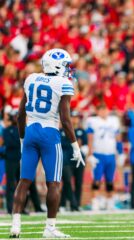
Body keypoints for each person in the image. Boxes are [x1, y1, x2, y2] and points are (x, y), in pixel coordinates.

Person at [10, 48, 85, 238]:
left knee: (24, 181)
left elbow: (20, 115)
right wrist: (76, 146)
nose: (69, 69)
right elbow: (66, 120)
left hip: (30, 131)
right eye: (67, 65)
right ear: (58, 65)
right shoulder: (63, 83)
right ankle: (50, 228)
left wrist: (22, 139)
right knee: (54, 184)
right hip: (49, 134)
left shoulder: (31, 78)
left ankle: (15, 226)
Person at [4, 110, 43, 215]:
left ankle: (24, 207)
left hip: (23, 159)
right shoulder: (7, 130)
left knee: (27, 184)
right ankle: (10, 208)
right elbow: (9, 143)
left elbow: (29, 142)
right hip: (11, 160)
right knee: (11, 185)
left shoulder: (26, 129)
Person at [86, 104, 123, 211]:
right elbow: (90, 138)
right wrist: (90, 154)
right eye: (101, 110)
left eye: (105, 109)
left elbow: (118, 137)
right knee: (97, 179)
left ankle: (110, 202)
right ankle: (95, 202)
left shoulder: (113, 120)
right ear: (98, 111)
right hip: (98, 154)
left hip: (111, 154)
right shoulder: (93, 121)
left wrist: (120, 152)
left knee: (110, 180)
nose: (104, 112)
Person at [60, 111, 87, 211]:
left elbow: (85, 145)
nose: (75, 119)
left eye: (77, 117)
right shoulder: (63, 130)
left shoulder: (82, 131)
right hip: (66, 160)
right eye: (73, 117)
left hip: (79, 159)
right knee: (67, 181)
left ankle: (76, 204)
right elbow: (62, 144)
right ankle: (72, 204)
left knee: (78, 182)